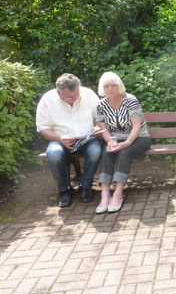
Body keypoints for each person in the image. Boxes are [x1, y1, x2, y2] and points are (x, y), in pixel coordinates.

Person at [36, 73, 102, 207]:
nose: (74, 98)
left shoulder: (88, 94)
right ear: (59, 93)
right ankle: (64, 190)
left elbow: (99, 117)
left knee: (95, 151)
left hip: (87, 138)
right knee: (53, 153)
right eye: (69, 97)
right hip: (60, 140)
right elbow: (42, 128)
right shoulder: (47, 100)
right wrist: (59, 138)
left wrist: (97, 126)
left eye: (77, 94)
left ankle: (85, 187)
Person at [95, 72, 152, 214]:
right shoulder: (101, 105)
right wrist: (110, 142)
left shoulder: (130, 100)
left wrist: (126, 143)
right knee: (106, 152)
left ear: (119, 85)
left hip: (139, 138)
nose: (110, 88)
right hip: (116, 138)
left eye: (113, 85)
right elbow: (104, 129)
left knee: (124, 152)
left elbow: (137, 126)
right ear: (102, 88)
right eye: (106, 86)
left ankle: (118, 193)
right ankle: (105, 194)